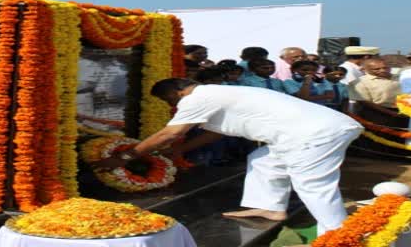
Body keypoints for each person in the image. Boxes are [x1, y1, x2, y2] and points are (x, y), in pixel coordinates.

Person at [94, 78, 362, 236]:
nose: (172, 107)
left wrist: (126, 157)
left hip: (314, 134)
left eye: (168, 102)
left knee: (313, 185)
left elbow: (169, 133)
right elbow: (214, 136)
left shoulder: (198, 97)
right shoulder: (221, 93)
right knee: (263, 160)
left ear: (176, 92)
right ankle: (271, 207)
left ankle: (337, 235)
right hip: (310, 131)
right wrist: (179, 151)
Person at [348, 58, 403, 122]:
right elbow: (366, 102)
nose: (383, 70)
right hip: (379, 114)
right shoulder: (359, 82)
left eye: (385, 68)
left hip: (406, 111)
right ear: (365, 70)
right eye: (377, 69)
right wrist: (393, 113)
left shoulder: (402, 77)